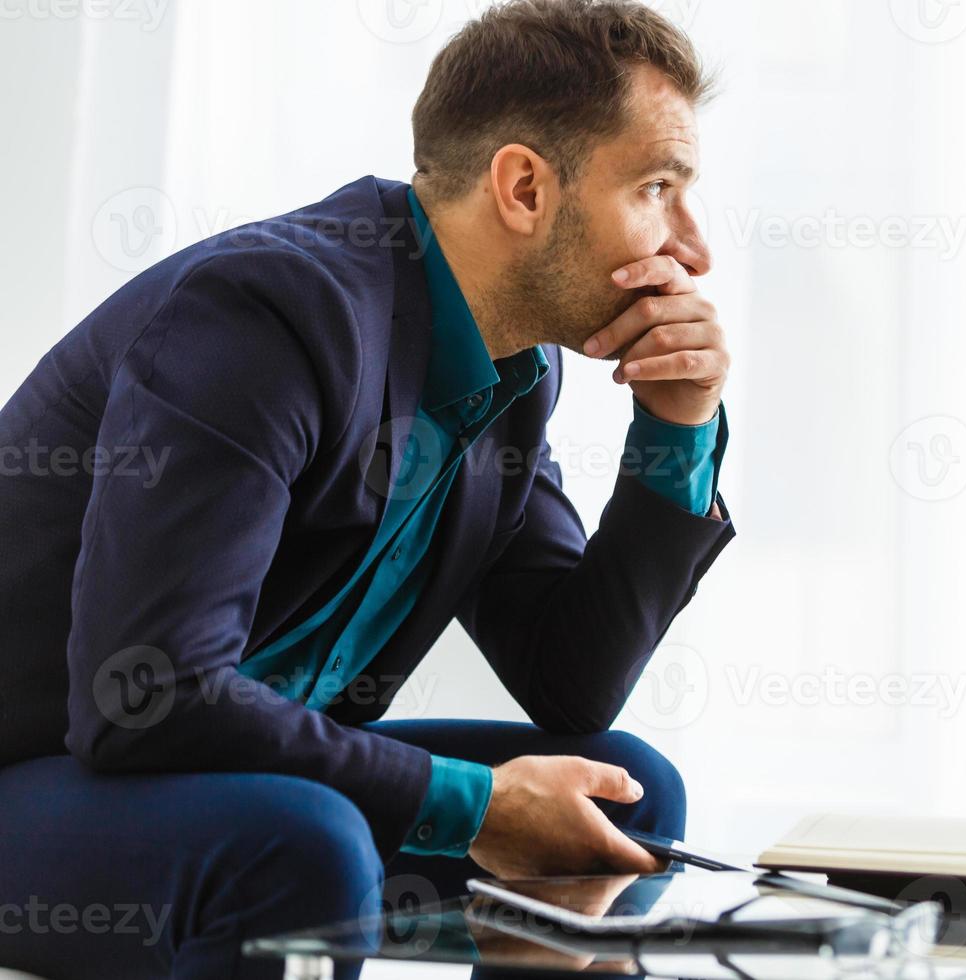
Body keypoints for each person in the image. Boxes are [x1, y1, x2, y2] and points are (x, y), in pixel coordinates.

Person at [0, 2, 733, 977]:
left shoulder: (511, 377)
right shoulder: (270, 314)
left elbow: (573, 677)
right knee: (302, 839)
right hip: (44, 763)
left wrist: (675, 429)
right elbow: (149, 695)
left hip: (211, 774)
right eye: (656, 188)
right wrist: (473, 803)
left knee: (622, 791)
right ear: (523, 186)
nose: (692, 246)